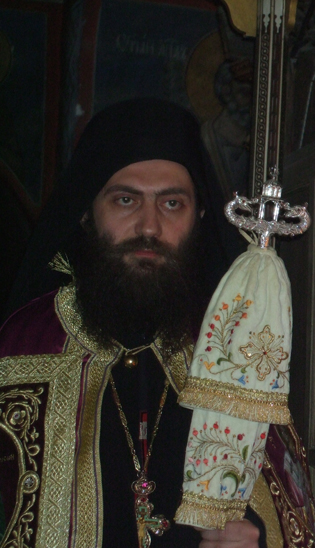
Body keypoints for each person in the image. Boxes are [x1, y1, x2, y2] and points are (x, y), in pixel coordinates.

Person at [0, 98, 267, 547]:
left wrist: (256, 536)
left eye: (172, 203)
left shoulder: (231, 350)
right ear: (86, 211)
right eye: (126, 200)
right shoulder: (23, 345)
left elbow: (286, 507)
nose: (149, 227)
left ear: (199, 215)